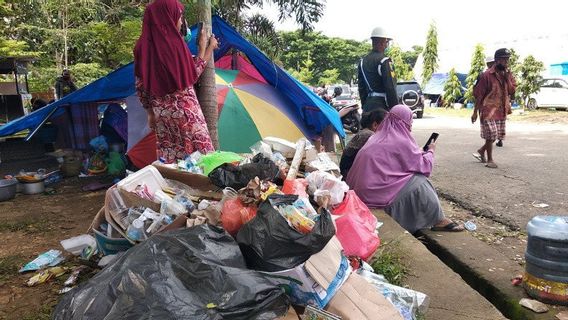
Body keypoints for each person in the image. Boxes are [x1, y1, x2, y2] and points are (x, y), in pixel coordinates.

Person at [346, 105, 464, 233]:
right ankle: (439, 220)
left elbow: (394, 162)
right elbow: (425, 167)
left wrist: (417, 153)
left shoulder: (377, 136)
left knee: (408, 179)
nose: (411, 126)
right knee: (420, 182)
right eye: (410, 122)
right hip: (375, 198)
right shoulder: (401, 140)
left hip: (361, 194)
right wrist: (431, 151)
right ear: (404, 122)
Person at [134, 0, 218, 164]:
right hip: (187, 116)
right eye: (179, 16)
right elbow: (192, 75)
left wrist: (150, 113)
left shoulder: (141, 47)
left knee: (173, 164)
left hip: (162, 118)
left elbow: (140, 85)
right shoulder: (174, 45)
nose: (180, 21)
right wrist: (206, 48)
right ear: (167, 16)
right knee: (203, 162)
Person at [472, 48, 516, 168]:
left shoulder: (508, 74)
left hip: (501, 110)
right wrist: (475, 112)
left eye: (507, 60)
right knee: (491, 134)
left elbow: (512, 91)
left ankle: (481, 151)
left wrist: (507, 78)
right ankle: (490, 160)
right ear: (497, 60)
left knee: (497, 135)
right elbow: (479, 94)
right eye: (504, 60)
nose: (506, 62)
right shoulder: (487, 75)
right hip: (488, 109)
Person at [358, 27, 398, 113]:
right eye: (386, 42)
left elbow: (361, 88)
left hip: (368, 106)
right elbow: (390, 87)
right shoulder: (384, 60)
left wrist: (365, 105)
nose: (387, 45)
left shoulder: (362, 62)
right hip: (382, 106)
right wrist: (395, 109)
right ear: (382, 42)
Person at [339, 109, 385, 178]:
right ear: (375, 125)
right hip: (350, 173)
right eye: (386, 125)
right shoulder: (369, 135)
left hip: (348, 170)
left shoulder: (365, 132)